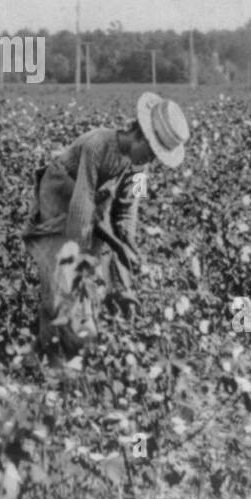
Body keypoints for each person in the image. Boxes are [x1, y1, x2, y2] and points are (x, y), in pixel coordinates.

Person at [24, 92, 190, 358]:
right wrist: (98, 251)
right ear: (140, 135)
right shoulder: (97, 144)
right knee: (62, 271)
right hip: (60, 193)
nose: (151, 160)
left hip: (93, 205)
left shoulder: (141, 170)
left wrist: (130, 248)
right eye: (151, 152)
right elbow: (81, 208)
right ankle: (53, 353)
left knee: (99, 272)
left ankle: (77, 338)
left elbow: (127, 212)